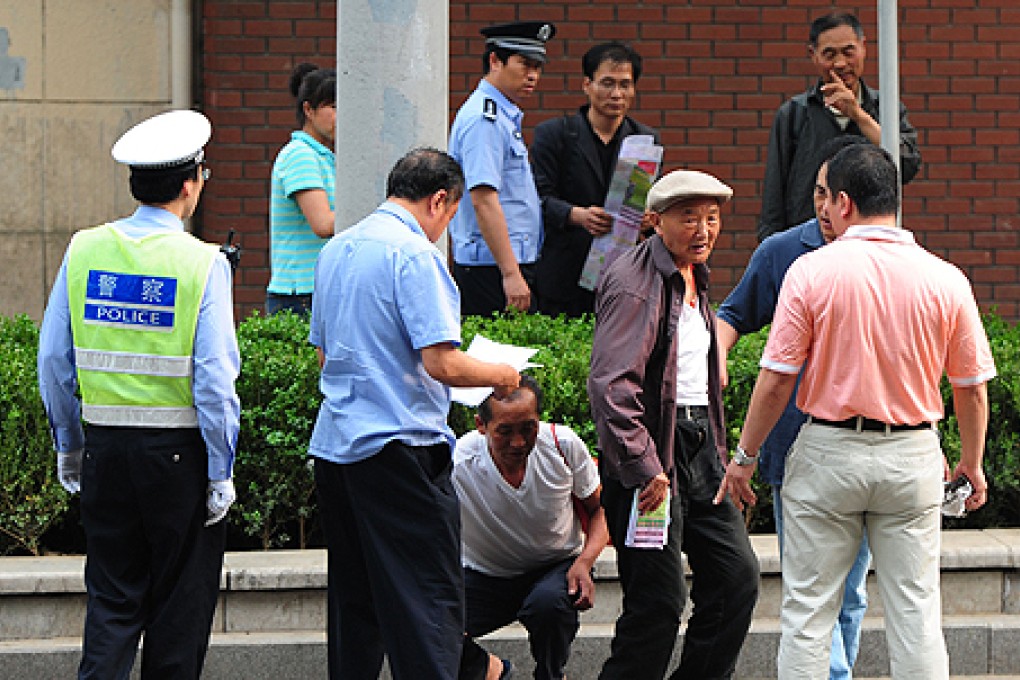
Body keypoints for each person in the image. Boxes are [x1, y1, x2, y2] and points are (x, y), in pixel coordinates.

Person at [715, 144, 995, 679]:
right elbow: (971, 387)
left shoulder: (811, 271)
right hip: (913, 453)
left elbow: (776, 380)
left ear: (842, 202)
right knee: (915, 613)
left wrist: (744, 456)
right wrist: (972, 462)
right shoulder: (947, 277)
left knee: (807, 615)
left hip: (827, 452)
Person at [37, 109, 241, 679]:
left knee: (111, 604)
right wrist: (220, 471)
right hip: (178, 461)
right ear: (189, 185)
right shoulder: (202, 263)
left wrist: (71, 446)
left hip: (105, 452)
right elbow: (216, 382)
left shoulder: (83, 250)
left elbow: (54, 362)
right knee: (178, 615)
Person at [308, 148, 521, 680]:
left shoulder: (338, 248)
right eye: (450, 216)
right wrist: (502, 374)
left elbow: (323, 355)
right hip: (401, 451)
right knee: (426, 601)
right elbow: (441, 361)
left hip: (337, 449)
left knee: (355, 602)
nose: (445, 227)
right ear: (440, 200)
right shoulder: (414, 254)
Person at [589, 169, 759, 680]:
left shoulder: (692, 274)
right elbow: (611, 384)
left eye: (712, 218)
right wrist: (645, 466)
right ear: (656, 221)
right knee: (658, 604)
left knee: (736, 580)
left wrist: (723, 458)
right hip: (651, 459)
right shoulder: (634, 282)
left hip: (699, 449)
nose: (704, 229)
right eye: (689, 218)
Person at [716, 134, 867, 680]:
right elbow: (732, 315)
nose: (826, 208)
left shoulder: (884, 259)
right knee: (812, 590)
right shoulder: (782, 252)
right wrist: (715, 357)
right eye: (818, 193)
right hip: (795, 447)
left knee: (850, 596)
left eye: (836, 195)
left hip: (868, 451)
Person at [454, 375, 610, 680]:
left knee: (549, 605)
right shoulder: (459, 460)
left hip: (555, 569)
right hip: (483, 577)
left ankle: (551, 675)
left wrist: (585, 562)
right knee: (424, 623)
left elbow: (602, 508)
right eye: (505, 431)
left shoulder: (562, 446)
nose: (518, 442)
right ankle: (490, 671)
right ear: (481, 425)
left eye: (528, 428)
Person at [758, 11, 921, 241]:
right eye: (829, 54)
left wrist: (858, 115)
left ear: (864, 48)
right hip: (808, 244)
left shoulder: (887, 109)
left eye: (848, 51)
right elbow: (774, 199)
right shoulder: (793, 115)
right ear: (813, 55)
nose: (840, 63)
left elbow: (908, 164)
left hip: (869, 245)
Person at [531, 41, 660, 317]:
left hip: (622, 272)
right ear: (586, 84)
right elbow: (536, 198)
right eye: (607, 83)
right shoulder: (555, 135)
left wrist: (648, 219)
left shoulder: (644, 140)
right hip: (565, 273)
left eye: (625, 85)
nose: (616, 94)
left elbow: (651, 200)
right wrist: (577, 215)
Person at [448, 21, 556, 316]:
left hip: (503, 263)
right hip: (492, 267)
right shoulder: (486, 119)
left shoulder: (501, 114)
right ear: (495, 61)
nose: (533, 75)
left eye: (538, 66)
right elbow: (483, 199)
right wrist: (510, 273)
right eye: (524, 64)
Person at [266, 62, 336, 315]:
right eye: (333, 107)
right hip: (299, 296)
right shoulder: (300, 155)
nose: (341, 117)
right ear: (308, 109)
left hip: (317, 289)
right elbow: (323, 224)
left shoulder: (324, 156)